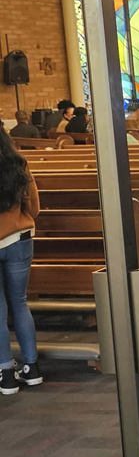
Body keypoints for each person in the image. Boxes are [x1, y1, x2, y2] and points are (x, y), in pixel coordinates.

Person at [0, 130, 41, 396]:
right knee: (20, 302)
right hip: (19, 238)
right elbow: (33, 204)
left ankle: (6, 375)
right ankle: (32, 368)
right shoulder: (19, 164)